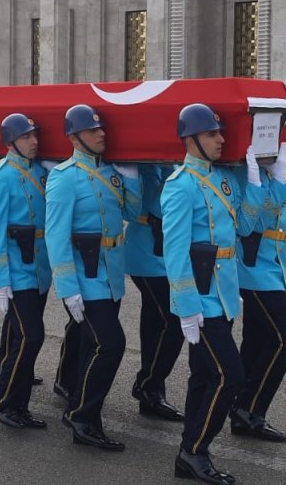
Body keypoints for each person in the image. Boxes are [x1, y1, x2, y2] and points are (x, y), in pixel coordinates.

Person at [160, 103, 265, 484]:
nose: (221, 139)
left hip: (222, 295)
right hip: (199, 303)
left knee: (204, 376)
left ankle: (189, 453)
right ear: (190, 141)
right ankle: (194, 451)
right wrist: (186, 307)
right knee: (229, 375)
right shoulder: (179, 186)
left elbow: (247, 226)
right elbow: (174, 253)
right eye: (211, 134)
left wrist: (254, 184)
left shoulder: (222, 180)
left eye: (220, 132)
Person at [46, 104, 142, 451]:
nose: (101, 134)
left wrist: (131, 176)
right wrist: (67, 288)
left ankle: (80, 408)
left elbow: (132, 212)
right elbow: (55, 237)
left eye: (102, 129)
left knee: (92, 345)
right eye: (92, 130)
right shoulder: (64, 177)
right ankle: (82, 417)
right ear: (74, 137)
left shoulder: (111, 173)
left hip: (111, 276)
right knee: (111, 344)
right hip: (85, 279)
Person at [0, 113, 52, 430]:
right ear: (11, 142)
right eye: (26, 137)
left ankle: (19, 406)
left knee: (22, 341)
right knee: (31, 337)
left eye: (35, 135)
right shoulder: (0, 177)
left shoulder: (39, 172)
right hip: (16, 272)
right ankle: (3, 401)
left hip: (39, 270)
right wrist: (0, 280)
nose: (34, 141)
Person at [232, 142, 286, 445]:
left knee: (256, 341)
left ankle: (238, 408)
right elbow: (250, 224)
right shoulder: (242, 178)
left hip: (275, 274)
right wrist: (264, 182)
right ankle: (248, 408)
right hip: (254, 275)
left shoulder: (274, 179)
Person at [123, 162, 186, 422]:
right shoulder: (146, 168)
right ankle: (148, 384)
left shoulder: (172, 166)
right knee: (173, 318)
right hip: (145, 254)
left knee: (154, 322)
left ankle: (152, 393)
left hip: (165, 254)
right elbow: (150, 205)